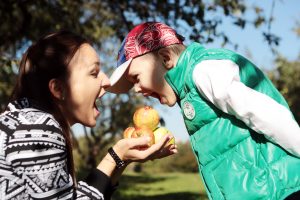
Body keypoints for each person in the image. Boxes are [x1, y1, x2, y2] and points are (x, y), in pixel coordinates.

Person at [107, 22, 300, 200]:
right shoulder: (189, 91)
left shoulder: (203, 72)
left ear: (166, 59)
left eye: (136, 78)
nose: (137, 89)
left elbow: (268, 115)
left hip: (281, 190)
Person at [0, 30, 177, 200]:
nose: (107, 81)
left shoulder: (24, 122)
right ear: (58, 88)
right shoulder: (36, 130)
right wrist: (116, 156)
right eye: (94, 73)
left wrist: (120, 158)